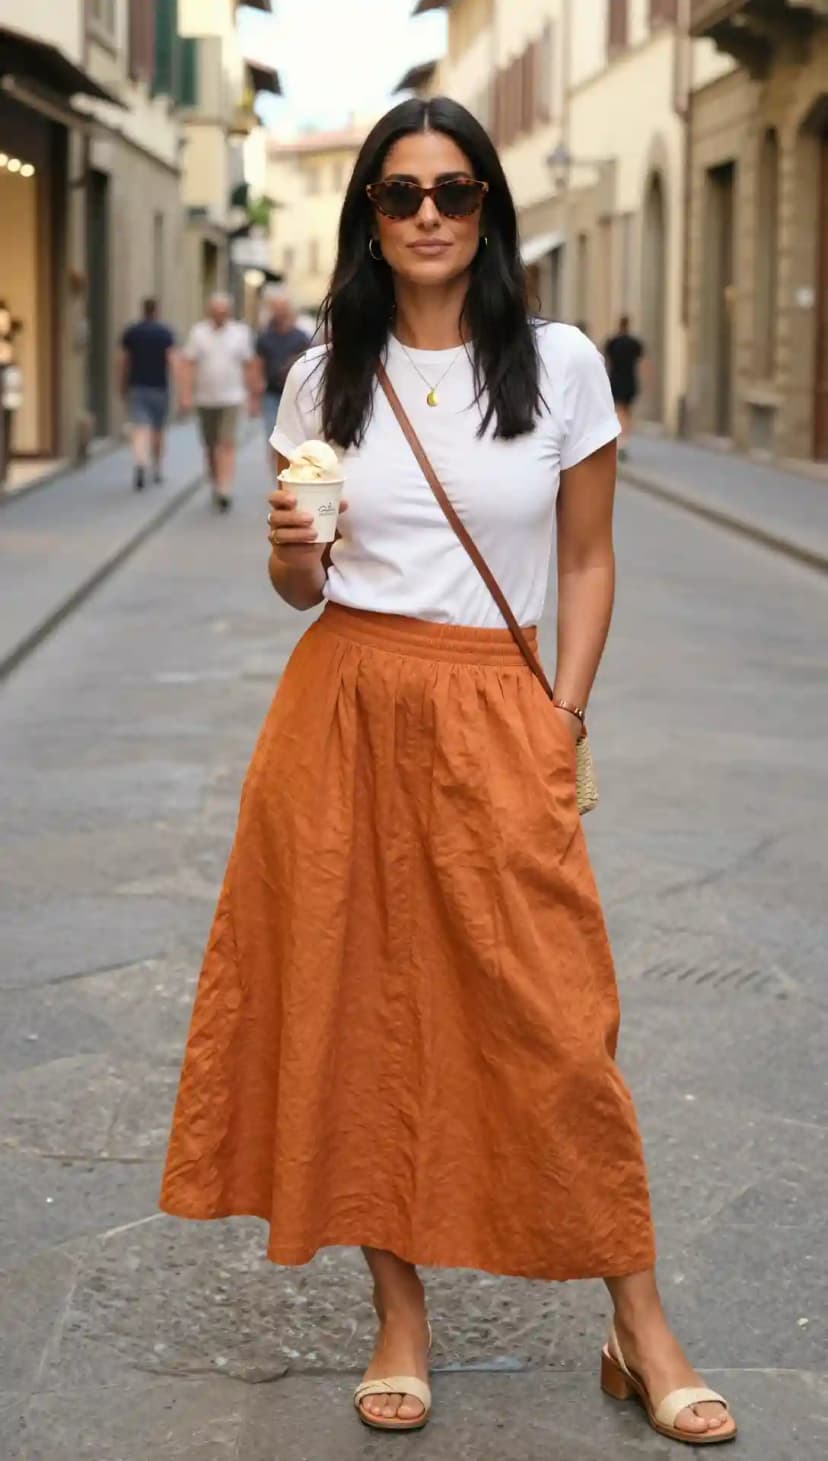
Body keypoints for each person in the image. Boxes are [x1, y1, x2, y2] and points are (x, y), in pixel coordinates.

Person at [160, 99, 737, 1447]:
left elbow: (588, 559)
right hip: (344, 707)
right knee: (359, 1009)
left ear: (490, 212)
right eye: (402, 192)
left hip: (498, 706)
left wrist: (566, 715)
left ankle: (637, 1321)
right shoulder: (323, 374)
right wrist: (295, 548)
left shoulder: (560, 364)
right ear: (368, 211)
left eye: (457, 192)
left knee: (559, 1021)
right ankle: (399, 1314)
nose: (429, 215)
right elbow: (302, 584)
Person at [179, 293, 258, 512]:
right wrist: (185, 394)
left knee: (227, 444)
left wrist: (253, 396)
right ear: (209, 312)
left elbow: (249, 364)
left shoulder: (240, 333)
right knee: (210, 446)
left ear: (229, 312)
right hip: (204, 399)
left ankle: (225, 488)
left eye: (223, 312)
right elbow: (187, 364)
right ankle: (216, 482)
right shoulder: (198, 333)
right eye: (216, 312)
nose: (219, 315)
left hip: (232, 398)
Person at [118, 298, 176, 490]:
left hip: (137, 387)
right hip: (159, 387)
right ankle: (157, 468)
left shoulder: (132, 333)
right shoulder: (165, 333)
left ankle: (140, 462)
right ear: (157, 311)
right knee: (158, 430)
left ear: (143, 310)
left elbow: (124, 362)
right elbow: (171, 360)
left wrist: (121, 385)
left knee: (140, 428)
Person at [255, 292, 311, 446]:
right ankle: (276, 469)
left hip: (296, 394)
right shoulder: (264, 337)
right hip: (272, 394)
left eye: (283, 308)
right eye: (276, 308)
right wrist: (255, 391)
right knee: (273, 438)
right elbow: (258, 363)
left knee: (295, 440)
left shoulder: (301, 337)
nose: (280, 312)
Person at [604, 315, 645, 459]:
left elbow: (607, 362)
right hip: (629, 380)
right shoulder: (634, 343)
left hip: (616, 380)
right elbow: (641, 362)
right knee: (627, 412)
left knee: (619, 411)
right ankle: (624, 441)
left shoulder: (612, 342)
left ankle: (621, 443)